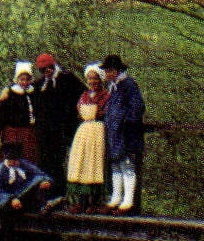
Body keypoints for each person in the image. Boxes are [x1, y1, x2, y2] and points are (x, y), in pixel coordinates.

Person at [0, 142, 63, 241]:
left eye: (16, 160)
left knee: (36, 186)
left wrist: (46, 181)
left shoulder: (24, 165)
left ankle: (46, 205)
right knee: (6, 217)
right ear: (6, 159)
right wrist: (10, 199)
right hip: (6, 202)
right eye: (11, 161)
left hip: (23, 199)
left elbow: (41, 174)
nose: (15, 163)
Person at [31, 52, 87, 185]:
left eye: (49, 68)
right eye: (43, 70)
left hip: (63, 130)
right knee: (45, 162)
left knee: (60, 162)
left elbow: (85, 95)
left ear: (54, 65)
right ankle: (47, 195)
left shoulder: (68, 79)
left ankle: (61, 194)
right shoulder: (39, 84)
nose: (47, 71)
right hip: (44, 131)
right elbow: (21, 90)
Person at [100, 54, 145, 214]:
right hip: (115, 134)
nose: (105, 73)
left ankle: (128, 202)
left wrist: (125, 123)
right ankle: (116, 198)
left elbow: (137, 108)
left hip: (125, 135)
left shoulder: (129, 85)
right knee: (116, 166)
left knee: (127, 166)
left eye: (107, 70)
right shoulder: (115, 86)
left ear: (115, 71)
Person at [65, 65, 109, 211]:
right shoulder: (84, 95)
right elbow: (79, 110)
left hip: (97, 131)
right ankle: (82, 201)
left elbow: (103, 112)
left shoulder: (105, 95)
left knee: (94, 164)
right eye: (90, 79)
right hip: (84, 130)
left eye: (95, 78)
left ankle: (94, 202)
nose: (92, 81)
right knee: (81, 163)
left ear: (101, 79)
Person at [0, 61, 42, 165]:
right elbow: (1, 115)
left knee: (29, 161)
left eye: (27, 79)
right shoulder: (9, 93)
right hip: (13, 134)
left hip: (29, 134)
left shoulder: (34, 92)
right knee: (12, 160)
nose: (25, 82)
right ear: (16, 79)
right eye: (22, 79)